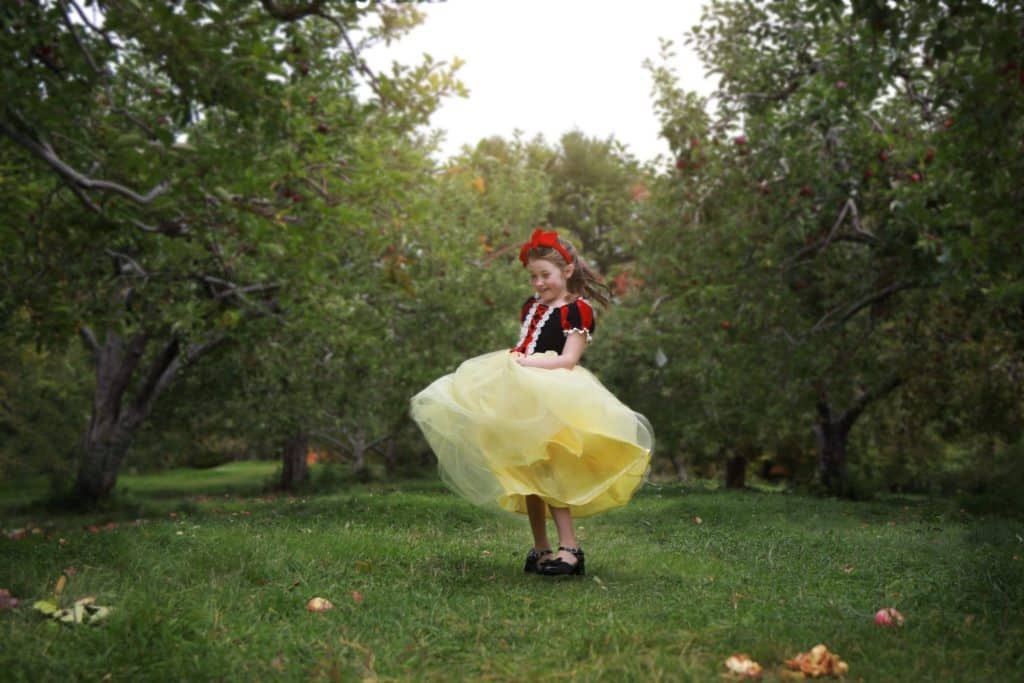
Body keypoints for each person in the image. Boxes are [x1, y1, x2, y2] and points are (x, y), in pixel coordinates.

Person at [410, 228, 653, 576]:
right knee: (528, 472)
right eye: (533, 276)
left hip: (554, 395)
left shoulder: (577, 311)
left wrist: (527, 363)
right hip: (523, 391)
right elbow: (525, 344)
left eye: (546, 275)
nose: (538, 283)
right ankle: (540, 548)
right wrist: (516, 362)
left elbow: (569, 359)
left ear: (566, 273)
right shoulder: (531, 307)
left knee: (551, 469)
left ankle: (570, 549)